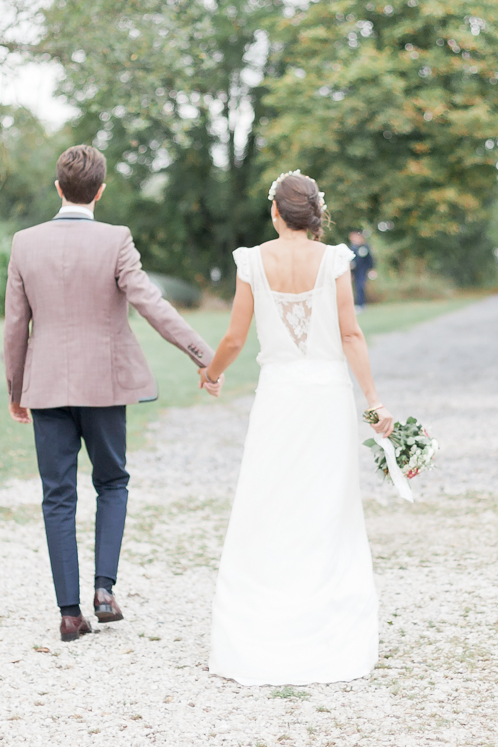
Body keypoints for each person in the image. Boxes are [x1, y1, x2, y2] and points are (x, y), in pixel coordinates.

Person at [4, 144, 216, 643]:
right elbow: (151, 303)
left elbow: (16, 325)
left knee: (57, 496)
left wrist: (17, 390)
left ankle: (69, 614)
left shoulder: (24, 243)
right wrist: (204, 354)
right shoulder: (116, 240)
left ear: (58, 188)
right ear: (100, 191)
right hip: (105, 384)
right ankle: (105, 590)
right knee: (112, 483)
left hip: (47, 387)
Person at [200, 170, 395, 686]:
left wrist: (212, 372)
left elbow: (235, 338)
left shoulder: (251, 260)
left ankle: (266, 620)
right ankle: (324, 624)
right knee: (327, 506)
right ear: (316, 215)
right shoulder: (333, 260)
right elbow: (351, 335)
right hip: (327, 396)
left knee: (270, 502)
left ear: (275, 212)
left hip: (280, 397)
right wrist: (374, 403)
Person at [348, 230, 376, 311]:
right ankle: (358, 304)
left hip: (363, 270)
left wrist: (372, 269)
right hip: (355, 271)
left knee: (361, 286)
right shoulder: (352, 248)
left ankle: (361, 304)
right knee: (356, 287)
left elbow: (370, 259)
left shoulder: (364, 247)